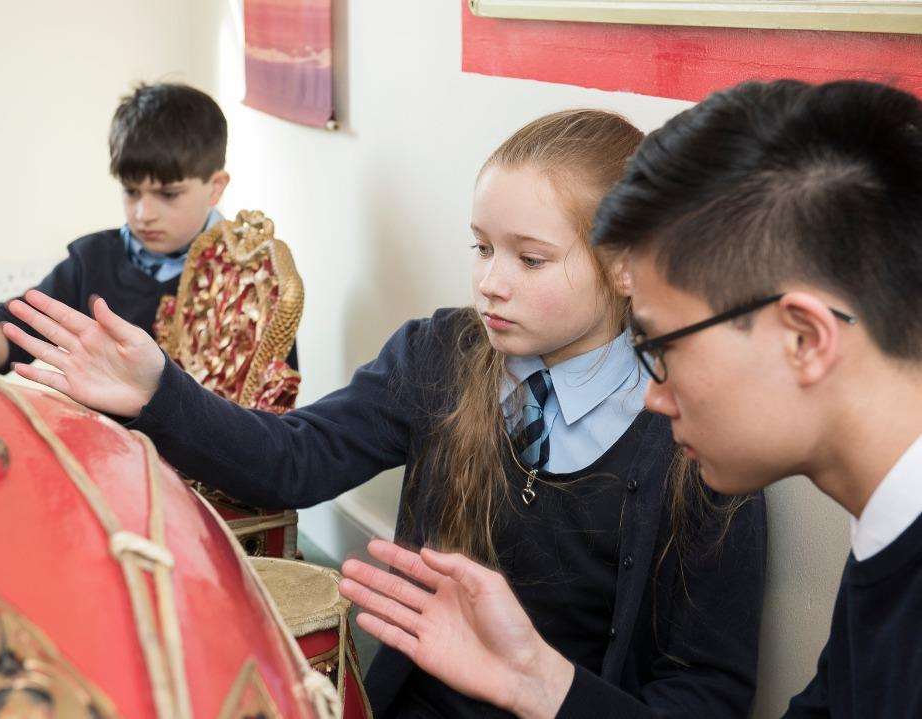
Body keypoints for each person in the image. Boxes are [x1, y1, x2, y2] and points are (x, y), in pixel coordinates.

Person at [0, 110, 766, 718]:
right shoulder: (440, 354)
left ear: (624, 265)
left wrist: (549, 688)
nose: (489, 284)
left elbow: (702, 690)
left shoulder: (697, 439)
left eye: (528, 259)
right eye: (480, 248)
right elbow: (292, 459)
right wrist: (160, 391)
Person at [337, 79, 922, 719]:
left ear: (805, 338)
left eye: (662, 347)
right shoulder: (887, 538)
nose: (655, 396)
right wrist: (543, 684)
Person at [0, 82, 233, 371]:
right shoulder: (92, 259)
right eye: (131, 191)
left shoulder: (250, 279)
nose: (143, 213)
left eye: (168, 194)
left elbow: (268, 421)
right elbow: (11, 330)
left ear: (215, 187)